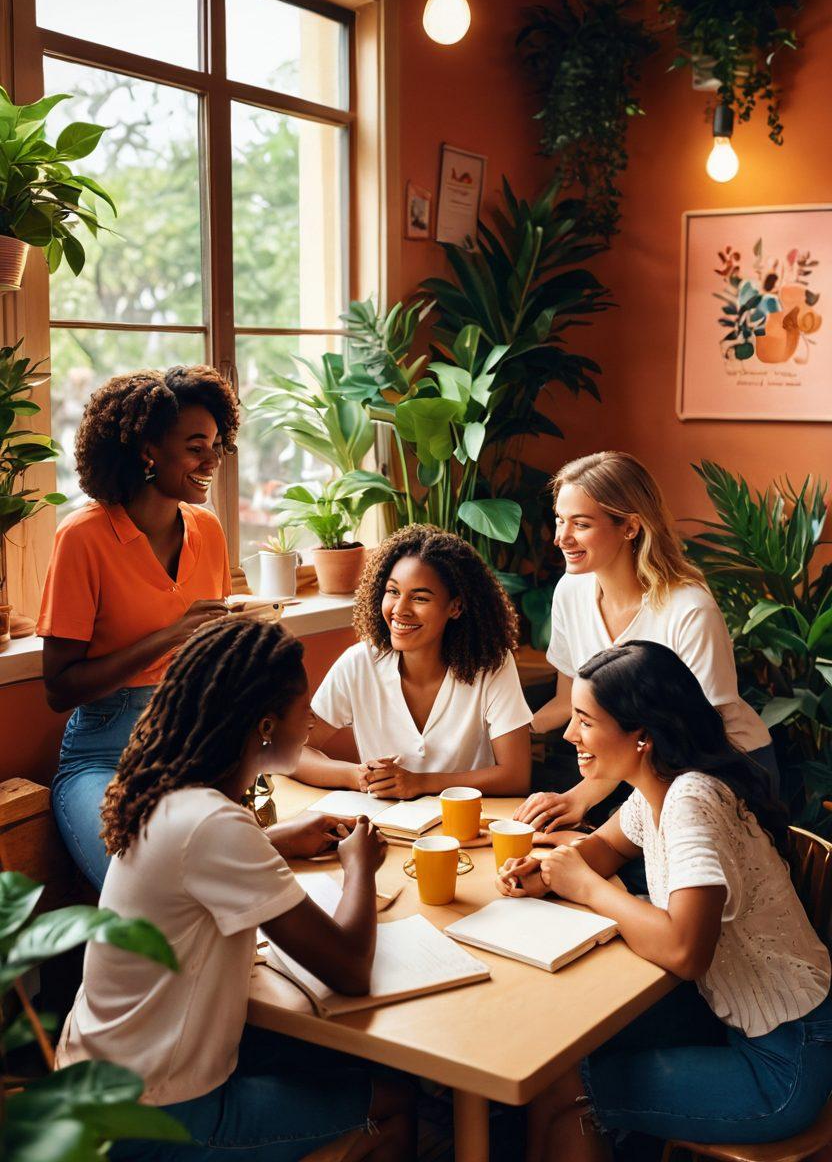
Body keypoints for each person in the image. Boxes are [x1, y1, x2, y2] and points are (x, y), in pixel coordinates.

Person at [56, 616, 416, 1162]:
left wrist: (273, 840)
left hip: (98, 1083)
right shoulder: (215, 824)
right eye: (302, 709)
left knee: (323, 1060)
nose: (310, 723)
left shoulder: (166, 790)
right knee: (396, 1100)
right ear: (266, 726)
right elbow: (348, 968)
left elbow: (188, 869)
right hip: (160, 1115)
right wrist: (359, 866)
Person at [498, 641, 832, 1162]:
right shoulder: (657, 787)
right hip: (728, 1020)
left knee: (571, 1096)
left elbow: (685, 951)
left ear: (643, 735)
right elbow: (608, 846)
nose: (569, 735)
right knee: (554, 1070)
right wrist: (546, 874)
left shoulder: (691, 802)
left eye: (585, 721)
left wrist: (586, 887)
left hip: (783, 1062)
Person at [38, 366, 238, 889]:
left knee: (239, 872)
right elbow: (59, 688)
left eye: (216, 445)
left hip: (191, 748)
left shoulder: (208, 530)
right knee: (144, 888)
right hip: (103, 759)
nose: (212, 460)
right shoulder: (83, 537)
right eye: (196, 447)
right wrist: (170, 635)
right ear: (149, 451)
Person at [515, 451, 775, 834]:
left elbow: (694, 738)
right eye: (559, 520)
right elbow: (567, 700)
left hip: (714, 770)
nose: (560, 538)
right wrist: (507, 735)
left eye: (580, 524)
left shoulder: (689, 609)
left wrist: (582, 796)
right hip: (629, 767)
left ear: (630, 527)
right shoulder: (571, 589)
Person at [296, 524, 533, 799]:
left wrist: (420, 783)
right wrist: (357, 775)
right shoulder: (359, 664)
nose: (400, 610)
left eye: (420, 598)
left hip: (468, 821)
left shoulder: (491, 665)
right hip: (382, 820)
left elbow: (515, 776)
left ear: (455, 607)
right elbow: (294, 751)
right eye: (393, 591)